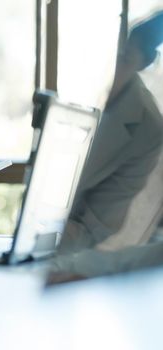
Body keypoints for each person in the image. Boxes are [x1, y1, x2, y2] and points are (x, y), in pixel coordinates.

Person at [59, 11, 163, 254]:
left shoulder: (148, 129)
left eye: (125, 58)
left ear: (143, 62)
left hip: (72, 251)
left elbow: (98, 226)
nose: (113, 67)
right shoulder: (72, 80)